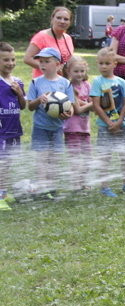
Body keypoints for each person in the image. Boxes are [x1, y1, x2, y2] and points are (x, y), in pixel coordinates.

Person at [26, 47, 74, 198]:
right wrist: (39, 100)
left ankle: (51, 187)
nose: (43, 64)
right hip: (40, 128)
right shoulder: (36, 82)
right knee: (42, 158)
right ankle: (41, 187)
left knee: (53, 159)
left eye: (47, 61)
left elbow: (70, 107)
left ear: (58, 65)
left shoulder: (65, 84)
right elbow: (30, 106)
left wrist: (68, 114)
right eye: (41, 61)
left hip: (57, 128)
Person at [90, 47, 125, 197]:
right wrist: (108, 122)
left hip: (122, 126)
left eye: (107, 63)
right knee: (105, 157)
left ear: (115, 64)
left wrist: (119, 121)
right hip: (104, 127)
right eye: (101, 63)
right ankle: (104, 187)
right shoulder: (97, 82)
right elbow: (96, 105)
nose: (104, 66)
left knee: (124, 156)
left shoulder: (121, 82)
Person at [0, 42, 26, 210]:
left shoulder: (17, 82)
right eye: (5, 60)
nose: (10, 63)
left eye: (13, 59)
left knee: (8, 163)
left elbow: (23, 105)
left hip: (14, 130)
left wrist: (19, 93)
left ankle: (4, 192)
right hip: (1, 131)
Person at [62, 56, 93, 191]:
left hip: (85, 128)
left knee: (87, 157)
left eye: (82, 71)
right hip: (72, 128)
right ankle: (76, 184)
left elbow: (91, 104)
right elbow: (78, 110)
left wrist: (87, 104)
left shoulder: (87, 85)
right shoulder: (68, 87)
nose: (79, 74)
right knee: (75, 158)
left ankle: (83, 182)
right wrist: (91, 104)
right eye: (76, 71)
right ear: (69, 72)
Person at [24, 7, 74, 78]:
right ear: (52, 19)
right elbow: (27, 59)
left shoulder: (68, 38)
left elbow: (69, 59)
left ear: (70, 22)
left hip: (62, 82)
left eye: (66, 19)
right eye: (58, 18)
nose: (62, 21)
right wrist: (49, 68)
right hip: (44, 81)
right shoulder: (41, 36)